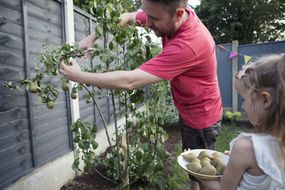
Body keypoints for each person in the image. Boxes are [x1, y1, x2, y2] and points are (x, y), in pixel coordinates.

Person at [60, 1, 223, 189]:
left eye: (152, 18)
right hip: (189, 111)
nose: (147, 22)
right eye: (147, 15)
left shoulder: (190, 44)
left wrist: (80, 76)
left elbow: (130, 81)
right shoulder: (168, 14)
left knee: (205, 176)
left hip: (202, 117)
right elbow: (128, 17)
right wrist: (92, 37)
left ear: (178, 15)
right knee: (193, 169)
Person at [199, 54, 285, 190]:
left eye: (244, 99)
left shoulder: (244, 149)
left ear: (265, 100)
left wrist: (203, 178)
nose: (243, 106)